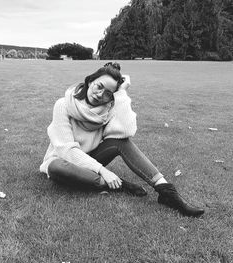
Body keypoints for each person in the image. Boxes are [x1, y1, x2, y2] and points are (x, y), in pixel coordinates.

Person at [39, 62, 204, 217]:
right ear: (90, 81)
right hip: (64, 161)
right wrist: (104, 171)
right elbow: (66, 151)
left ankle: (166, 191)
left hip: (90, 159)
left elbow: (125, 132)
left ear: (112, 97)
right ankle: (117, 184)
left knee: (120, 142)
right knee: (56, 167)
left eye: (108, 94)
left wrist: (122, 93)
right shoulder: (64, 104)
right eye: (99, 86)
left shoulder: (107, 110)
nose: (100, 95)